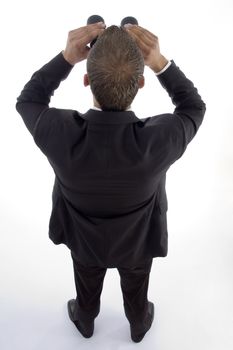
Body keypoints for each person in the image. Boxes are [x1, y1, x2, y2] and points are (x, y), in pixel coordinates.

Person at [16, 20, 206, 343]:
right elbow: (193, 107)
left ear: (87, 80)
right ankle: (138, 322)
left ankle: (85, 319)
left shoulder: (59, 134)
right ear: (141, 83)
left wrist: (66, 57)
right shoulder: (158, 142)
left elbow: (29, 100)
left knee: (86, 281)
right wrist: (160, 62)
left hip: (84, 241)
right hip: (138, 243)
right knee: (137, 285)